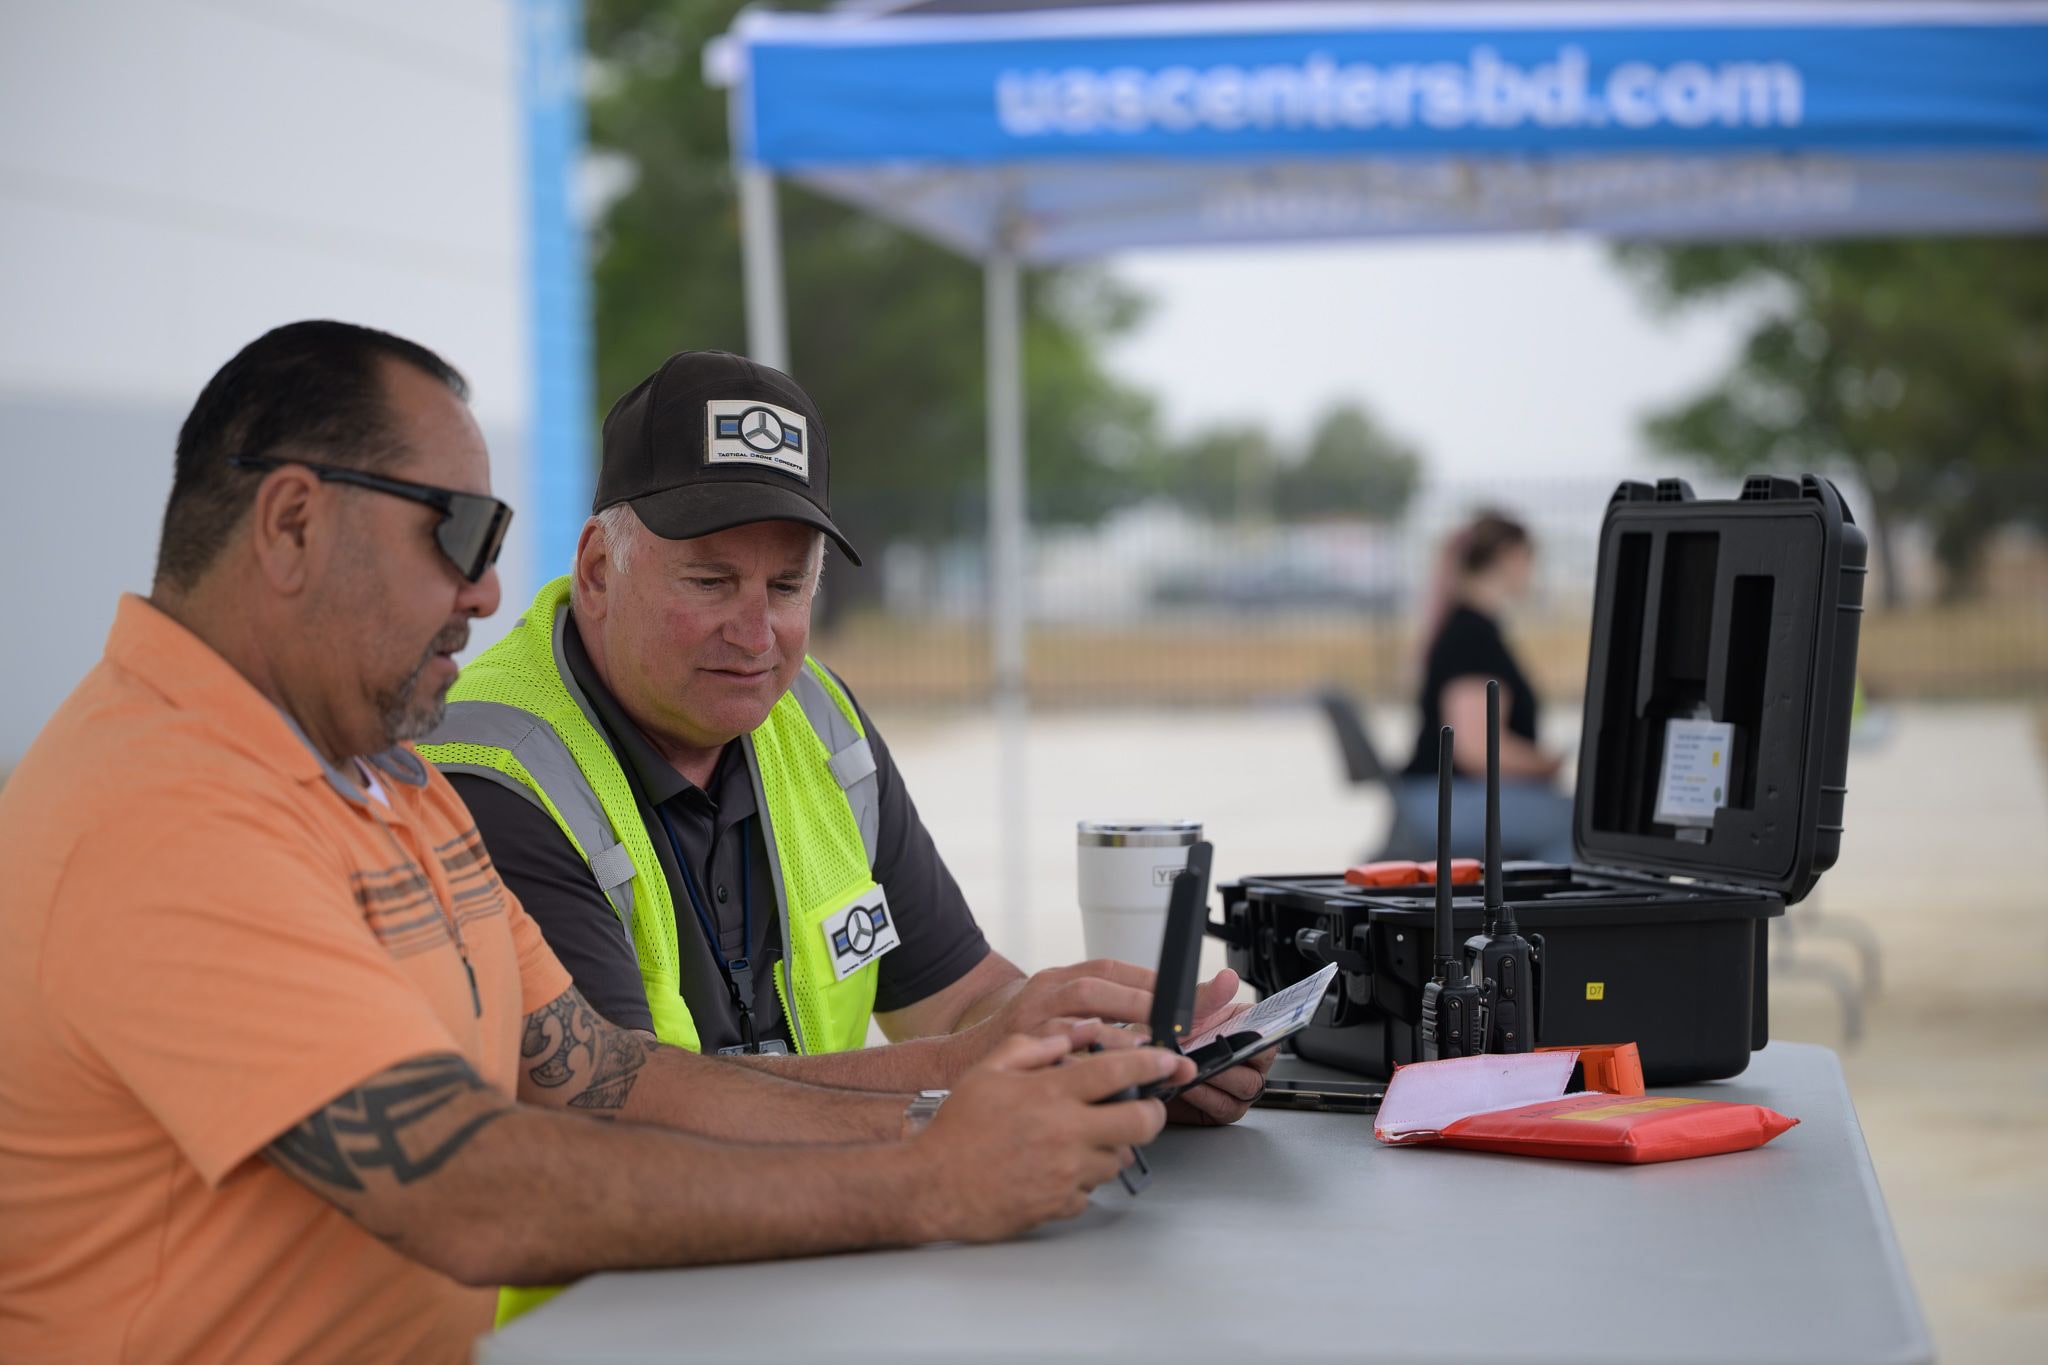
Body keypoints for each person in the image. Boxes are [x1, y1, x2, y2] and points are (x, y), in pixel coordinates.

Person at [0, 322, 1190, 1364]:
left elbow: (606, 1078)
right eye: (457, 534)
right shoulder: (163, 814)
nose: (484, 591)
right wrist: (930, 1177)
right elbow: (461, 1185)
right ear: (293, 521)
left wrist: (979, 1094)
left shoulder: (378, 775)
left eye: (786, 584)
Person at [419, 351, 1270, 1139]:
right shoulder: (497, 768)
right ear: (600, 570)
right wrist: (971, 1070)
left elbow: (960, 999)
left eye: (788, 585)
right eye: (712, 581)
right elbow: (632, 1110)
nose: (757, 633)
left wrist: (1105, 1056)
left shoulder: (817, 718)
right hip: (593, 1302)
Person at [1396, 510, 1576, 863]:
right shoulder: (1471, 636)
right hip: (1447, 800)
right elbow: (1477, 750)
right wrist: (1546, 765)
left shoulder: (1468, 628)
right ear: (1508, 557)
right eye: (1529, 558)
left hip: (1440, 797)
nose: (1531, 572)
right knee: (1582, 825)